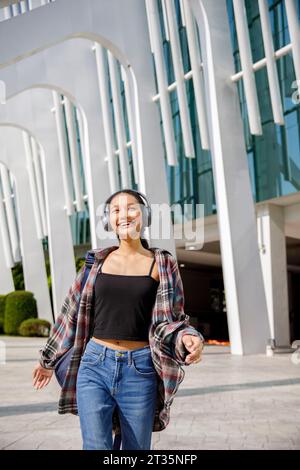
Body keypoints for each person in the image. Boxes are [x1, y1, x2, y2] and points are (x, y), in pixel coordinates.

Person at [32, 189, 204, 450]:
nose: (123, 214)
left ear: (145, 216)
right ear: (108, 220)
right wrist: (48, 360)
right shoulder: (95, 263)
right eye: (116, 210)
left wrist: (188, 337)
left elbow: (173, 319)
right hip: (94, 365)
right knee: (96, 446)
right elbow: (70, 314)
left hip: (140, 369)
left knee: (135, 449)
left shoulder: (162, 263)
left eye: (131, 208)